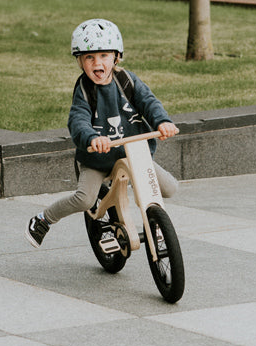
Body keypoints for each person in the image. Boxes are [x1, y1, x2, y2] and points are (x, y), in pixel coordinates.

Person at [26, 18, 179, 248]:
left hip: (131, 151)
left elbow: (149, 102)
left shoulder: (126, 80)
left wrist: (163, 122)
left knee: (169, 188)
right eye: (89, 57)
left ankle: (155, 224)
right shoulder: (85, 91)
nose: (97, 63)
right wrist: (92, 138)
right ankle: (44, 219)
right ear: (80, 61)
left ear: (116, 57)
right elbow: (78, 120)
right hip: (97, 157)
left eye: (104, 56)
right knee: (84, 199)